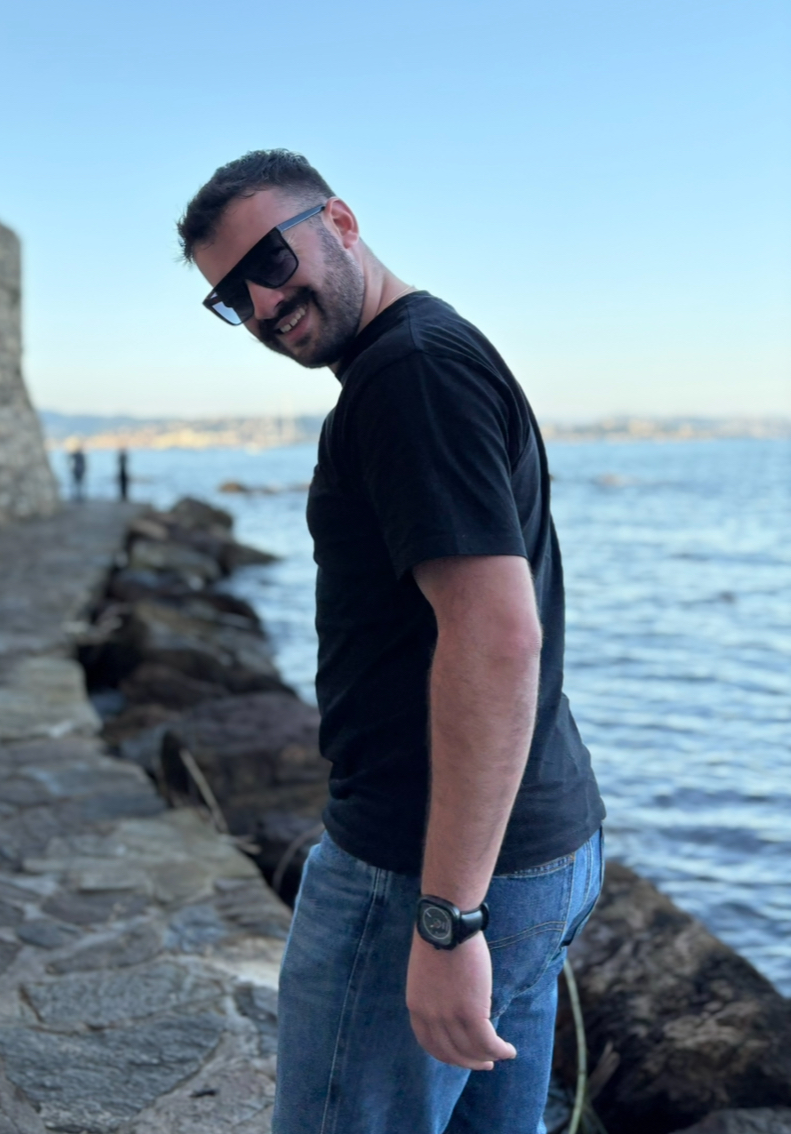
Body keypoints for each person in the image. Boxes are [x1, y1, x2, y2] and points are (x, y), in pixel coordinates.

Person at [177, 150, 605, 1134]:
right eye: (232, 298)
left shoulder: (408, 374)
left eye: (270, 261)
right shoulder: (425, 353)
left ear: (340, 221)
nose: (263, 305)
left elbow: (497, 639)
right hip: (535, 849)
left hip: (424, 870)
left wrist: (448, 919)